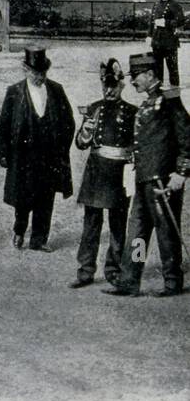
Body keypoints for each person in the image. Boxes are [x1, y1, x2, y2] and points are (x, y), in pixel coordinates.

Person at [106, 51, 189, 297]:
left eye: (137, 76)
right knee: (138, 233)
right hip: (144, 180)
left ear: (151, 74)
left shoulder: (170, 101)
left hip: (163, 182)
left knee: (167, 233)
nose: (132, 81)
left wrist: (180, 173)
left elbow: (187, 140)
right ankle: (130, 281)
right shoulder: (147, 102)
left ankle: (173, 282)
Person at [0, 45, 75, 251]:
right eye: (35, 72)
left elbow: (69, 121)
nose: (39, 76)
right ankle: (20, 230)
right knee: (23, 198)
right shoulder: (14, 92)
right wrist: (2, 153)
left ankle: (39, 239)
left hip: (49, 156)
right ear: (26, 70)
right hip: (23, 156)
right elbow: (3, 124)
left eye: (42, 72)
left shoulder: (56, 90)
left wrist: (62, 147)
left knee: (46, 198)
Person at [70, 58, 136, 289]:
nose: (108, 91)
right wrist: (85, 133)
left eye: (113, 86)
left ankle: (114, 270)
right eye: (105, 86)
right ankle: (85, 270)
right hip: (96, 172)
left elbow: (136, 148)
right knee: (91, 225)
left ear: (121, 86)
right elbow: (80, 143)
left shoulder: (132, 112)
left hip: (120, 174)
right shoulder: (94, 108)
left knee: (118, 226)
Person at [149, 0, 183, 85]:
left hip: (169, 42)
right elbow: (151, 22)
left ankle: (175, 93)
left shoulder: (174, 4)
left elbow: (181, 21)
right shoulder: (156, 4)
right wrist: (149, 35)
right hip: (157, 41)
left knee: (172, 69)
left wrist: (166, 23)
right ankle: (159, 92)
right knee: (157, 69)